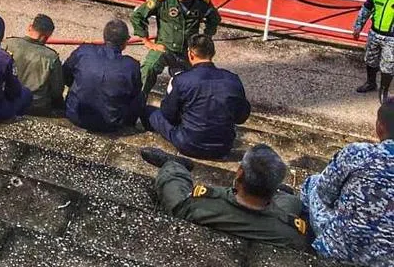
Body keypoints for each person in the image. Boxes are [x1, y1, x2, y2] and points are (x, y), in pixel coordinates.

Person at [141, 144, 310, 251]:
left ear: (239, 173)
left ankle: (174, 164)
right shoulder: (292, 234)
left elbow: (175, 201)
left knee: (173, 181)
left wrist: (171, 167)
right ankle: (281, 192)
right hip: (270, 221)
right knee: (291, 201)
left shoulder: (200, 204)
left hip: (225, 209)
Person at [301, 99, 394, 266]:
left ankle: (301, 235)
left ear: (379, 127)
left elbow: (324, 193)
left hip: (338, 251)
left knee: (312, 183)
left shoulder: (358, 153)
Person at [143, 35, 250, 159]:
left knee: (149, 111)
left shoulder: (181, 80)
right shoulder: (232, 80)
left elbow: (168, 114)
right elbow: (241, 117)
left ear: (190, 54)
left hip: (188, 144)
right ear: (213, 53)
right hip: (223, 147)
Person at [132, 0, 221, 96]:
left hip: (188, 51)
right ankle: (137, 101)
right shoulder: (164, 1)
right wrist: (146, 41)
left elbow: (214, 19)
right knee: (148, 69)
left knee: (197, 81)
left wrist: (206, 37)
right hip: (164, 48)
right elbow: (137, 15)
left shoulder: (202, 3)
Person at [63, 19, 144, 132]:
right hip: (110, 123)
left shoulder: (84, 51)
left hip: (74, 114)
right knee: (140, 96)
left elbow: (65, 74)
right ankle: (129, 126)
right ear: (125, 42)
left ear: (104, 37)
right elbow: (134, 96)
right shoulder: (131, 66)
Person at [4, 14, 64, 115]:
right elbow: (57, 91)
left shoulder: (8, 44)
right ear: (45, 37)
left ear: (30, 27)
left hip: (8, 98)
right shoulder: (51, 57)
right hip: (36, 106)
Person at [354, 0, 394, 102]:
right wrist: (358, 27)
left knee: (388, 66)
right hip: (374, 34)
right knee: (370, 60)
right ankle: (371, 83)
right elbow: (365, 10)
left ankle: (384, 91)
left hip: (391, 39)